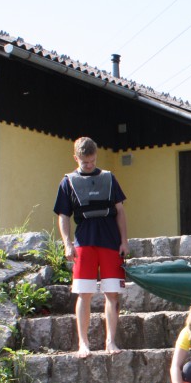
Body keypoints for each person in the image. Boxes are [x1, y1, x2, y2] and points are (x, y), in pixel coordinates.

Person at [54, 137, 129, 358]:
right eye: (85, 162)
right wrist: (67, 243)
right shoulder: (67, 182)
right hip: (84, 243)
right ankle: (83, 343)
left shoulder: (109, 178)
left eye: (93, 161)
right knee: (84, 294)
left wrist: (124, 241)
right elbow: (63, 215)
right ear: (76, 158)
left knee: (112, 294)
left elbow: (120, 211)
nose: (89, 165)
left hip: (110, 242)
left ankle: (111, 342)